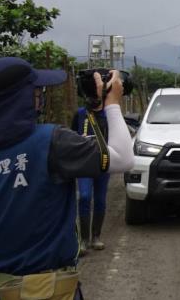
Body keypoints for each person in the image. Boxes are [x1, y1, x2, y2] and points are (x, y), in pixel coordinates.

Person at [0, 57, 135, 299]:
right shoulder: (51, 141)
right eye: (37, 93)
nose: (40, 98)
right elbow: (123, 159)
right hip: (48, 291)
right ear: (21, 98)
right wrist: (112, 104)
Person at [72, 104, 111, 253]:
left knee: (100, 200)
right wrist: (78, 139)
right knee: (84, 196)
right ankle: (84, 239)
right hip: (85, 162)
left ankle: (96, 236)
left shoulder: (109, 114)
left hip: (103, 163)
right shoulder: (81, 114)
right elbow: (72, 135)